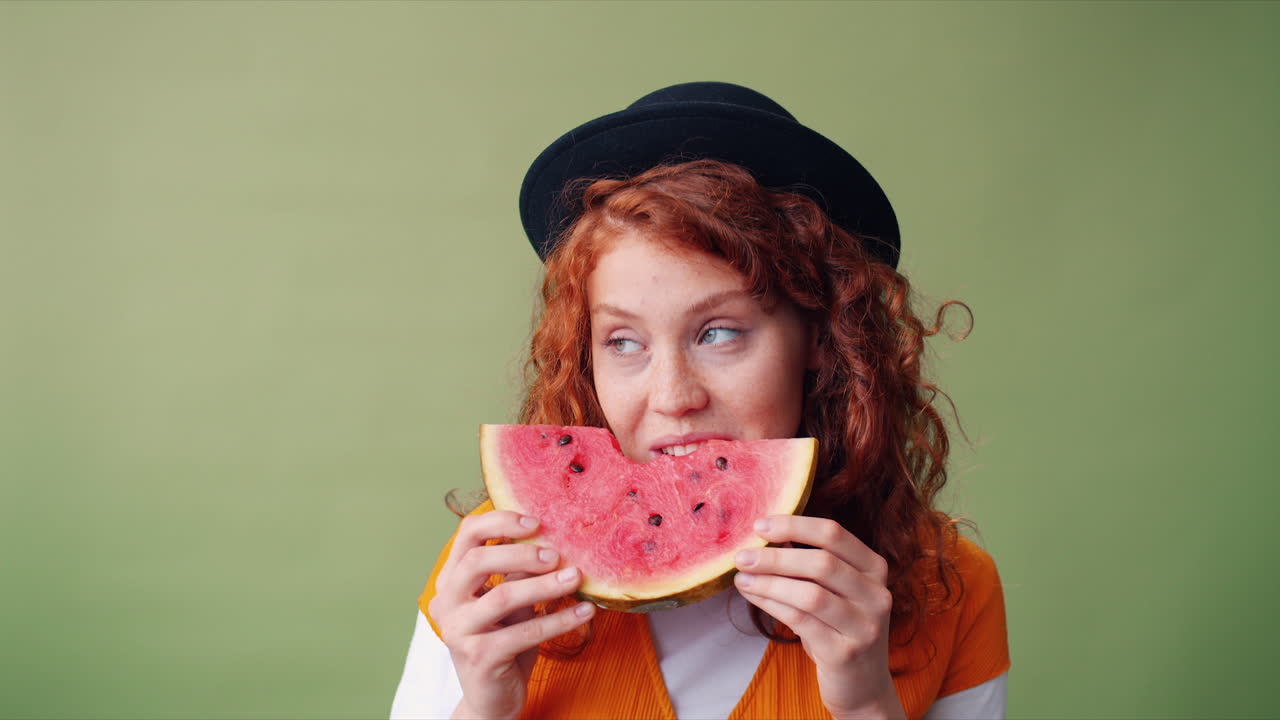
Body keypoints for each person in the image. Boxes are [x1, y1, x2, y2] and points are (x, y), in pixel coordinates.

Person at [391, 82, 1009, 720]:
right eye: (624, 341)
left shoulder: (948, 590)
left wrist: (867, 706)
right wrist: (482, 708)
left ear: (821, 337)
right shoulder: (499, 575)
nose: (672, 397)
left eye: (719, 333)